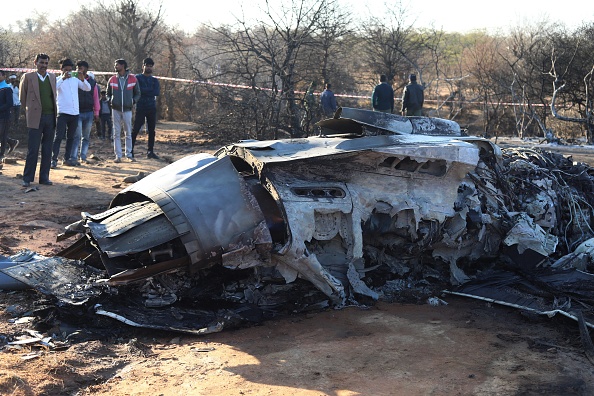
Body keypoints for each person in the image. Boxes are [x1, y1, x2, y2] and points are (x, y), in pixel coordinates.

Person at [20, 53, 57, 187]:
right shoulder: (28, 77)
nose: (44, 66)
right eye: (41, 63)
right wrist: (30, 113)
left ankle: (44, 178)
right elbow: (22, 98)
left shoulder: (52, 77)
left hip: (50, 117)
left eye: (46, 63)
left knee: (47, 150)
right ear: (35, 62)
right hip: (35, 118)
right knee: (33, 149)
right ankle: (27, 178)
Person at [51, 58, 91, 168]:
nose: (68, 72)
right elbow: (53, 89)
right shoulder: (57, 79)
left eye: (70, 70)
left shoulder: (75, 79)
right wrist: (63, 78)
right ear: (61, 69)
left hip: (74, 113)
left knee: (71, 137)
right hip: (62, 112)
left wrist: (83, 79)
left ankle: (67, 158)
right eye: (66, 70)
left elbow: (88, 88)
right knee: (58, 136)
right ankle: (53, 159)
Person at [107, 59, 140, 163]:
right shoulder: (112, 79)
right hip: (115, 109)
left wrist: (132, 101)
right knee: (116, 133)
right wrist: (110, 100)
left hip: (127, 109)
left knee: (128, 132)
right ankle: (118, 156)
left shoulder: (132, 79)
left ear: (123, 66)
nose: (115, 66)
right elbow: (108, 93)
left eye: (117, 65)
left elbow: (138, 93)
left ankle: (129, 155)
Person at [71, 61, 100, 164]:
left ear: (87, 69)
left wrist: (96, 112)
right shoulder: (73, 80)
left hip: (89, 112)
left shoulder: (92, 82)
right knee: (76, 136)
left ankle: (83, 156)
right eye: (78, 67)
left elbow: (96, 97)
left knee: (86, 137)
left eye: (82, 68)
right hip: (76, 112)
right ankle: (73, 157)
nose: (80, 70)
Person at [132, 57, 160, 159]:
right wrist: (147, 91)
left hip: (151, 107)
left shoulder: (154, 80)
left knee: (152, 130)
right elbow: (136, 91)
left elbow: (156, 92)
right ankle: (130, 151)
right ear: (143, 66)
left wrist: (144, 91)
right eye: (147, 66)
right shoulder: (137, 78)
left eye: (150, 66)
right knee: (135, 129)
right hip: (140, 106)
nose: (149, 68)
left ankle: (150, 151)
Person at [0, 70, 14, 160]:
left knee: (3, 135)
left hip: (4, 116)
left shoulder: (7, 88)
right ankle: (12, 142)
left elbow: (10, 103)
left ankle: (1, 154)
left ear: (4, 76)